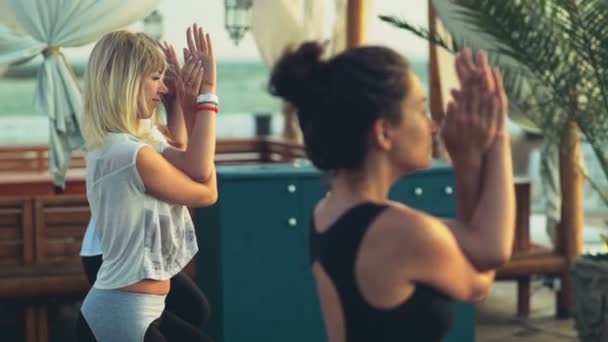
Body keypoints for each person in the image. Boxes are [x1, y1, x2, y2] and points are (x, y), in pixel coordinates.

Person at [269, 43, 515, 342]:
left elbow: (473, 243)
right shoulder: (401, 232)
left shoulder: (329, 212)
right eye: (421, 109)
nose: (433, 126)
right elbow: (484, 268)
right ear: (384, 132)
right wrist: (496, 138)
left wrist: (469, 159)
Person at [76, 24, 218, 342]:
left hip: (135, 311)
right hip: (121, 317)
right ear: (127, 82)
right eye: (155, 77)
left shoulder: (126, 144)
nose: (163, 88)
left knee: (198, 315)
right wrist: (206, 95)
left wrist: (190, 102)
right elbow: (206, 189)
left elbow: (196, 165)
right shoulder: (132, 154)